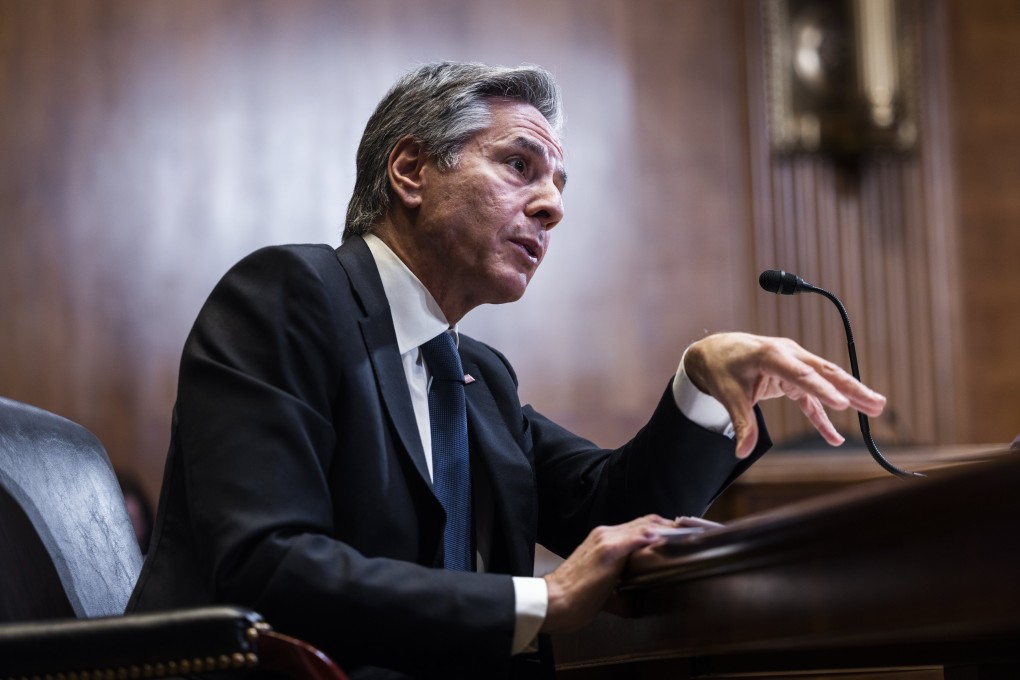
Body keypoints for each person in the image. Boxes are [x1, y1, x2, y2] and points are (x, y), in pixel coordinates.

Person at [128, 62, 886, 679]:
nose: (552, 206)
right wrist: (540, 602)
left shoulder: (479, 379)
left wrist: (703, 385)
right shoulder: (286, 299)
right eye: (520, 166)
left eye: (558, 184)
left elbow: (614, 514)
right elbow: (268, 567)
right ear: (411, 171)